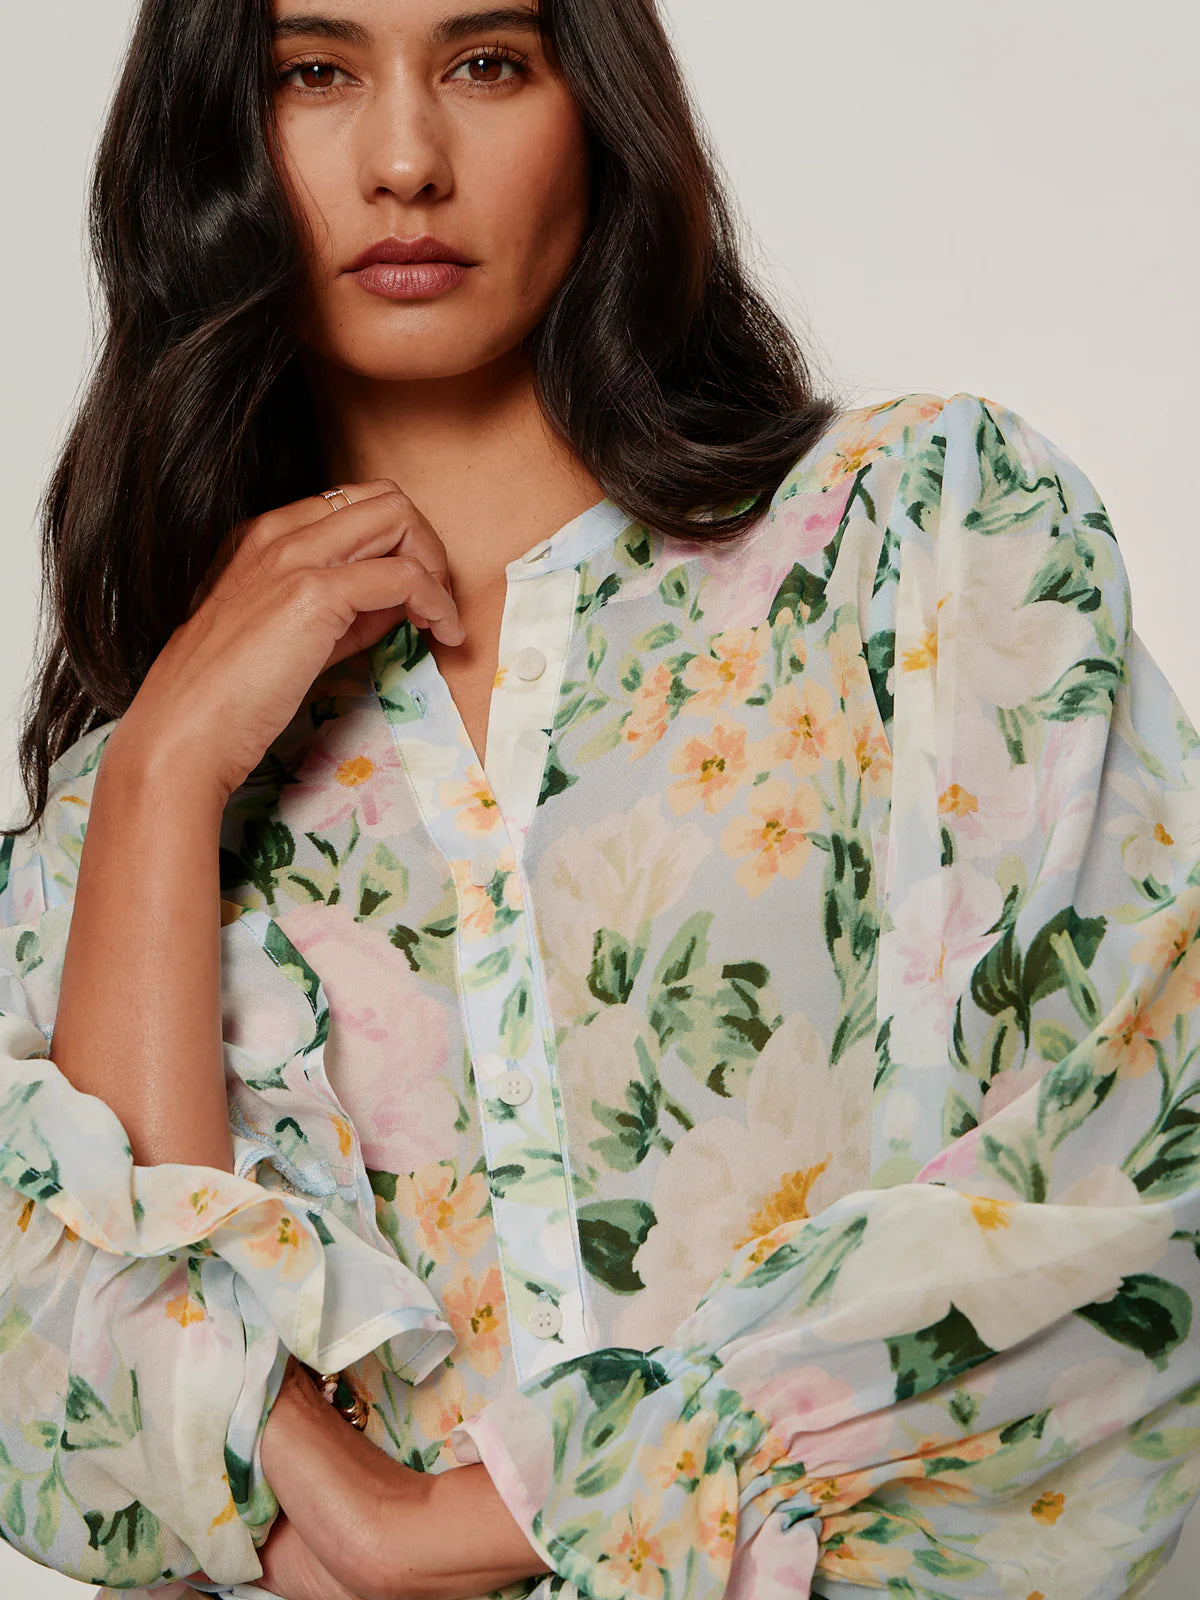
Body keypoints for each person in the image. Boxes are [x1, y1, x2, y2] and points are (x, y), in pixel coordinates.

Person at [0, 1, 1197, 1598]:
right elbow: (116, 1429)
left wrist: (458, 1524)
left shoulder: (923, 555)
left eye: (486, 63)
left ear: (600, 113)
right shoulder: (126, 821)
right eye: (315, 73)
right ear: (216, 139)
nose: (406, 159)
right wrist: (159, 775)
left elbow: (1139, 1166)